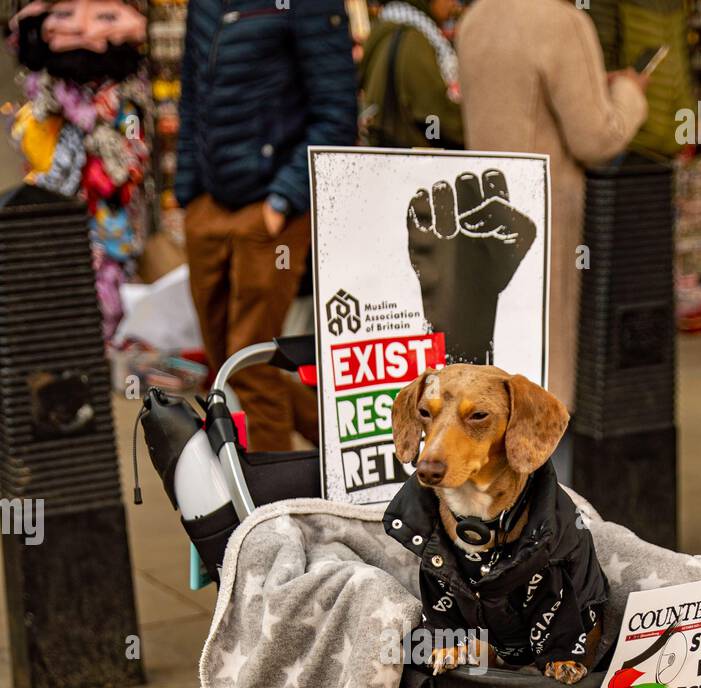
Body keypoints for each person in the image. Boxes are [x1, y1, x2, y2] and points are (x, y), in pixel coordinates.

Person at [175, 1, 358, 450]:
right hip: (209, 206)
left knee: (252, 366)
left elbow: (336, 111)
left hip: (271, 210)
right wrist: (188, 193)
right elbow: (192, 96)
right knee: (229, 364)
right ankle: (340, 455)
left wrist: (284, 199)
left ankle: (274, 510)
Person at [455, 0, 649, 421]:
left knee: (502, 353)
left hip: (488, 209)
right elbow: (597, 139)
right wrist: (630, 92)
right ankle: (550, 476)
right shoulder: (562, 23)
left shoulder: (476, 19)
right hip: (548, 213)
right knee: (550, 369)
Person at [359, 0, 464, 149]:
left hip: (392, 151)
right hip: (412, 157)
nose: (453, 3)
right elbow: (431, 114)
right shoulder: (413, 39)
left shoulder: (389, 29)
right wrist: (458, 133)